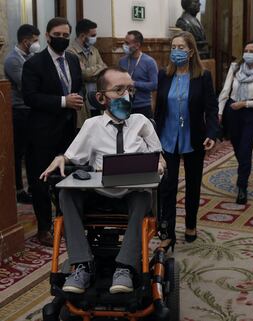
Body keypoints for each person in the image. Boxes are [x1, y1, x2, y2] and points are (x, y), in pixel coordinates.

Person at [39, 66, 165, 294]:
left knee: (143, 197)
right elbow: (70, 156)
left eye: (130, 89)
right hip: (98, 194)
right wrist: (60, 158)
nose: (126, 95)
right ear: (101, 98)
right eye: (118, 90)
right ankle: (82, 264)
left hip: (132, 194)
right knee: (66, 193)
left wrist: (158, 164)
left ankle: (125, 267)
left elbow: (159, 159)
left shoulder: (142, 122)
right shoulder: (91, 126)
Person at [22, 17, 83, 247]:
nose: (62, 39)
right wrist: (62, 101)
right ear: (48, 36)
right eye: (57, 35)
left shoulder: (73, 59)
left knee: (66, 177)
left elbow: (75, 87)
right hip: (41, 132)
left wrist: (75, 101)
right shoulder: (34, 64)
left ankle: (64, 220)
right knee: (41, 181)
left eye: (66, 35)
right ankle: (44, 228)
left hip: (68, 130)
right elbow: (31, 97)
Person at [154, 31, 219, 250]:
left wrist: (212, 133)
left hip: (194, 138)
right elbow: (159, 109)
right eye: (173, 47)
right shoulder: (164, 75)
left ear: (191, 52)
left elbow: (211, 108)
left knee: (192, 184)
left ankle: (191, 224)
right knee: (167, 186)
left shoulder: (203, 76)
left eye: (181, 47)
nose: (176, 51)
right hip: (167, 139)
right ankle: (168, 231)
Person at [218, 39, 253, 205]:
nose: (248, 54)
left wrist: (245, 103)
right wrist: (219, 112)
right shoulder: (235, 68)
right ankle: (244, 171)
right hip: (232, 111)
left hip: (250, 114)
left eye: (252, 51)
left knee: (246, 150)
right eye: (246, 50)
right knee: (238, 149)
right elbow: (225, 91)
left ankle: (242, 187)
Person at [4, 24, 40, 204]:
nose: (37, 44)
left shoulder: (32, 57)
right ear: (26, 41)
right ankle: (19, 189)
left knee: (32, 150)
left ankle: (35, 186)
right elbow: (26, 84)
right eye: (35, 41)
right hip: (19, 111)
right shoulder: (12, 60)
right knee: (18, 152)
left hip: (31, 109)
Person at [68, 18, 107, 118]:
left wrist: (89, 72)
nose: (95, 38)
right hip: (82, 102)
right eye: (93, 35)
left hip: (97, 100)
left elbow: (105, 70)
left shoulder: (94, 50)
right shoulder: (71, 52)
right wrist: (98, 69)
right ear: (82, 36)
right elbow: (82, 74)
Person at [119, 30, 158, 119]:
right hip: (124, 105)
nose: (124, 45)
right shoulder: (122, 61)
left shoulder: (149, 62)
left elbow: (154, 85)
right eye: (124, 42)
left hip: (143, 106)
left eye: (127, 43)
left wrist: (134, 83)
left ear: (137, 45)